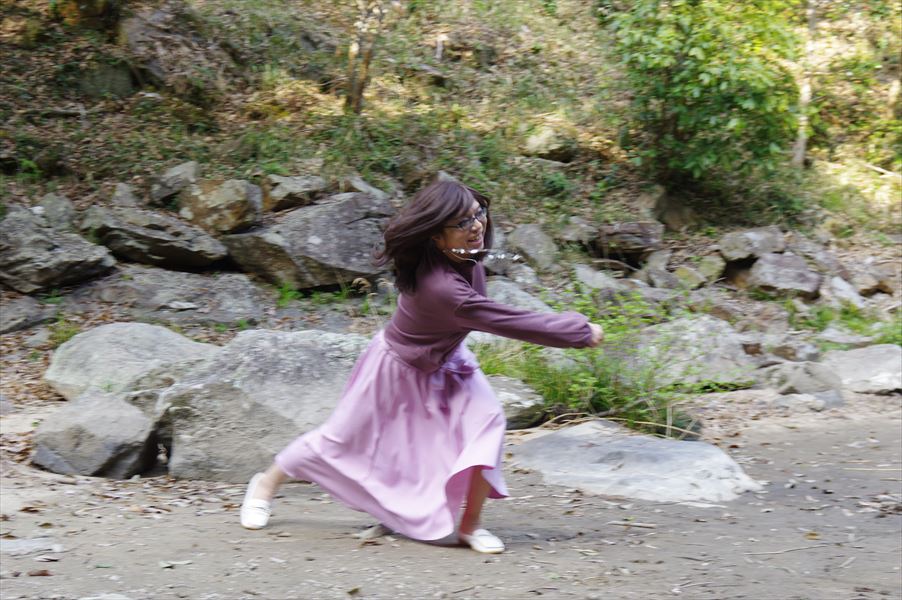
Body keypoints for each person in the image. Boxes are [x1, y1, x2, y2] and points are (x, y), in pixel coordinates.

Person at [240, 179, 604, 554]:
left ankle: (470, 526)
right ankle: (264, 485)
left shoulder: (464, 254)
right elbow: (506, 320)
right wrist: (577, 331)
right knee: (338, 440)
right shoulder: (442, 288)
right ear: (435, 235)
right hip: (396, 368)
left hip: (448, 361)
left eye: (478, 213)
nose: (476, 225)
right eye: (462, 222)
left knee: (489, 421)